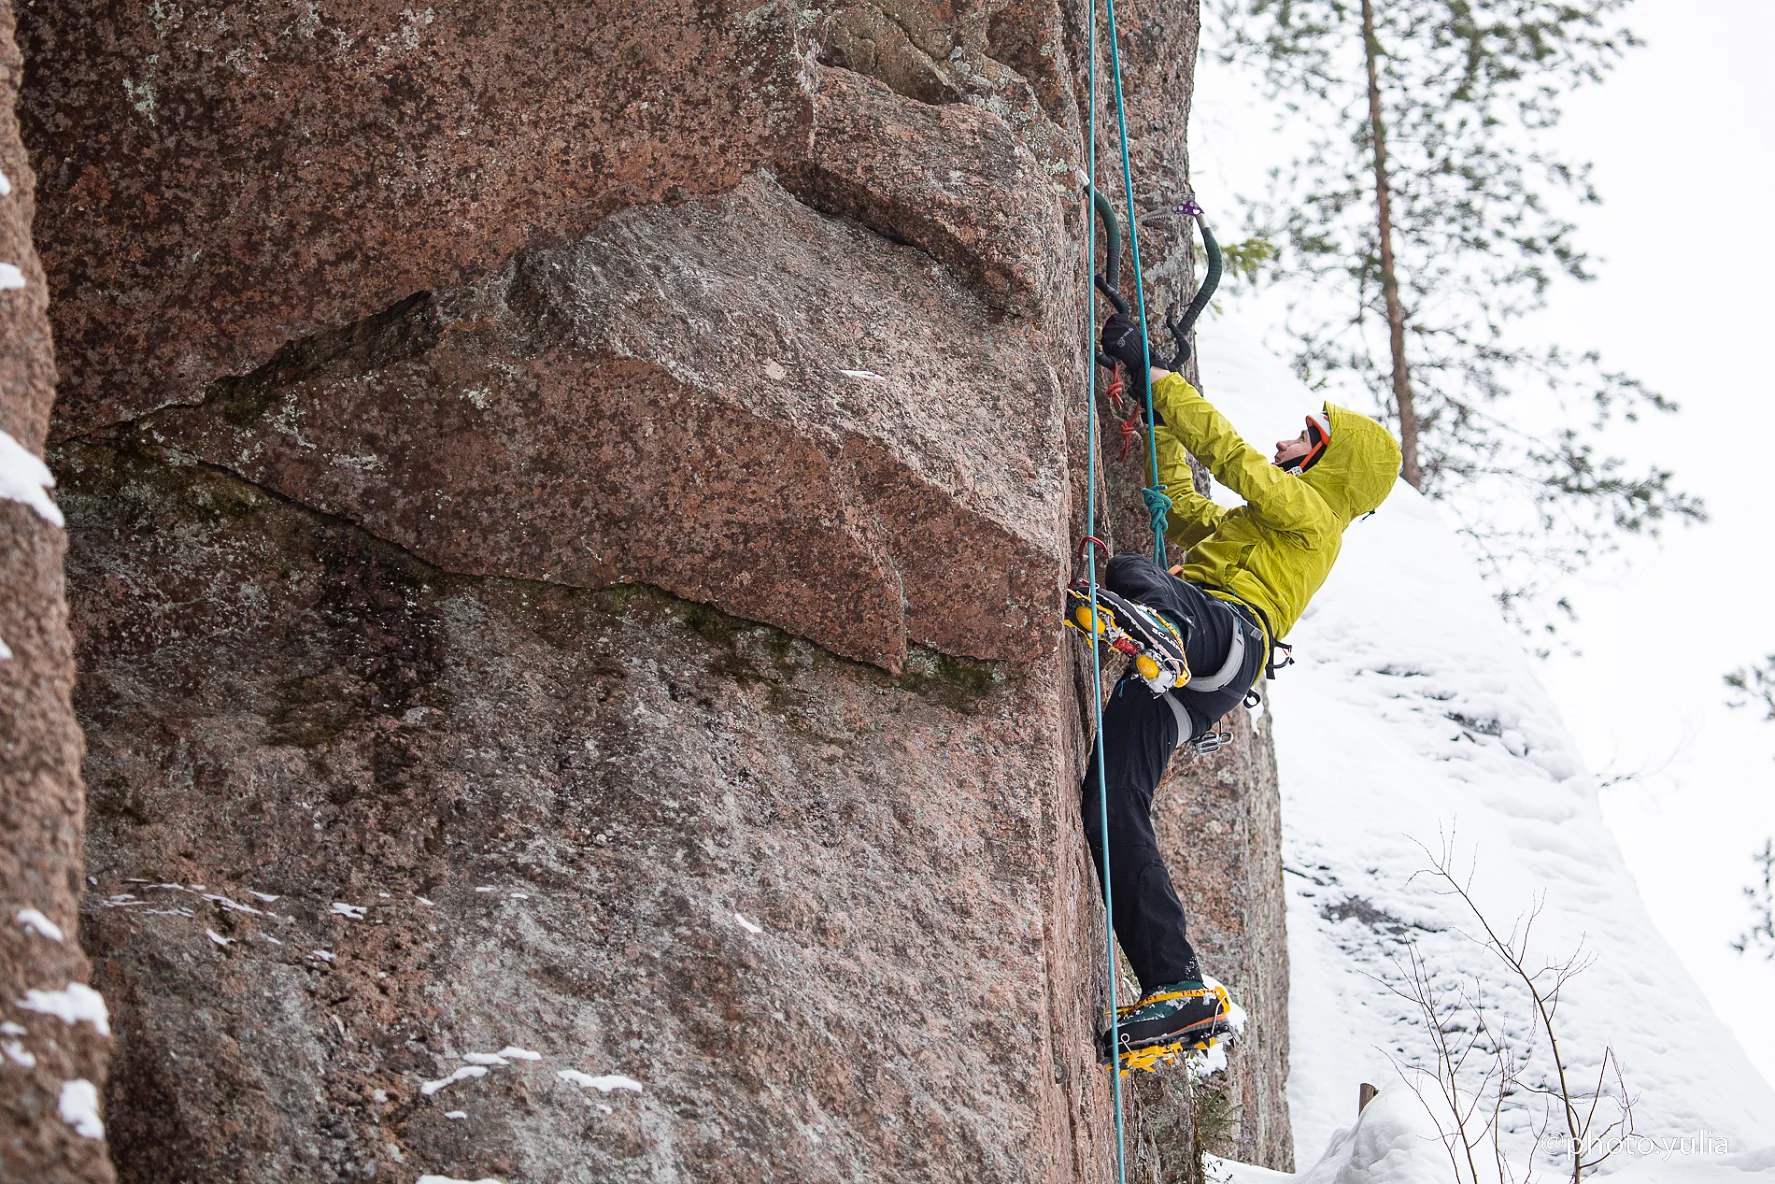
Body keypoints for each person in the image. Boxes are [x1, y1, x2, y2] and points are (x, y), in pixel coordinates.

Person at [1068, 311, 1403, 1072]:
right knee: (1111, 804)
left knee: (1131, 574)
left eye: (1303, 441)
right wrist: (1151, 420)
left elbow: (1233, 459)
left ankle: (1155, 633)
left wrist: (1162, 384)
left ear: (1327, 466)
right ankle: (1178, 986)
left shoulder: (1314, 517)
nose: (1287, 445)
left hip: (1221, 636)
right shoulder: (1272, 527)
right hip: (1202, 680)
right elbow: (1189, 509)